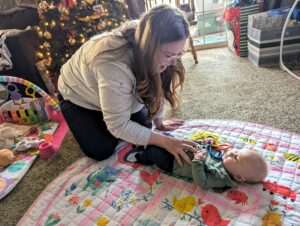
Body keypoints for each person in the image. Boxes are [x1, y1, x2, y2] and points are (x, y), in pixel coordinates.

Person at [57, 4, 198, 165]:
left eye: (178, 54)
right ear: (149, 47)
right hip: (77, 96)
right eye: (169, 55)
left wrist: (159, 122)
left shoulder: (150, 40)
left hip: (111, 86)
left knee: (145, 127)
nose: (174, 62)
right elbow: (118, 126)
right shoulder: (113, 63)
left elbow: (157, 86)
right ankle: (99, 116)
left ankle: (110, 111)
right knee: (102, 149)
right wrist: (165, 141)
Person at [131, 138, 268, 192]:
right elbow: (210, 151)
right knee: (159, 141)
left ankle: (143, 157)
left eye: (236, 158)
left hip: (174, 163)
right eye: (236, 151)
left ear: (238, 177)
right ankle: (148, 141)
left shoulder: (222, 178)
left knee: (153, 152)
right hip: (181, 149)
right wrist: (209, 143)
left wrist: (197, 162)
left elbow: (201, 181)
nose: (232, 152)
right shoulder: (225, 157)